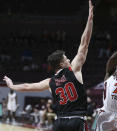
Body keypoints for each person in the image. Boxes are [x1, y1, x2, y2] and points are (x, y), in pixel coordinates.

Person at [3, 1, 93, 131]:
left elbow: (28, 86)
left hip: (60, 123)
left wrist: (11, 86)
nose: (68, 58)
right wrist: (90, 19)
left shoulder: (49, 82)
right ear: (61, 63)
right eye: (66, 58)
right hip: (77, 120)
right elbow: (84, 44)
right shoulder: (73, 70)